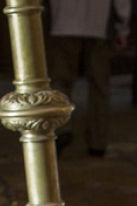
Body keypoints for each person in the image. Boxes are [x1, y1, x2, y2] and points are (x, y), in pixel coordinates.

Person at [47, 0, 131, 156]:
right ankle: (97, 140)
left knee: (60, 81)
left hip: (63, 22)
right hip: (98, 23)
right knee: (99, 85)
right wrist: (122, 28)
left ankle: (61, 128)